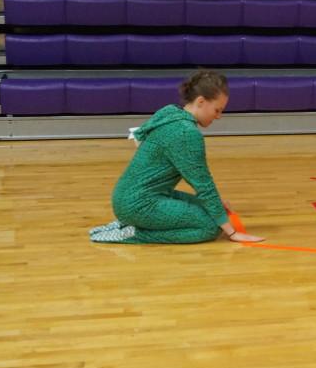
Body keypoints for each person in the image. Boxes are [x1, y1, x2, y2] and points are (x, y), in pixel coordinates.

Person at [90, 70, 264, 244]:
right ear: (201, 101)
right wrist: (232, 233)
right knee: (209, 228)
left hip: (125, 196)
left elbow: (138, 136)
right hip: (139, 204)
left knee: (212, 211)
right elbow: (204, 185)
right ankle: (135, 232)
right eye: (217, 110)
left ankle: (133, 223)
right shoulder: (186, 133)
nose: (219, 116)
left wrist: (217, 205)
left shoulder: (170, 112)